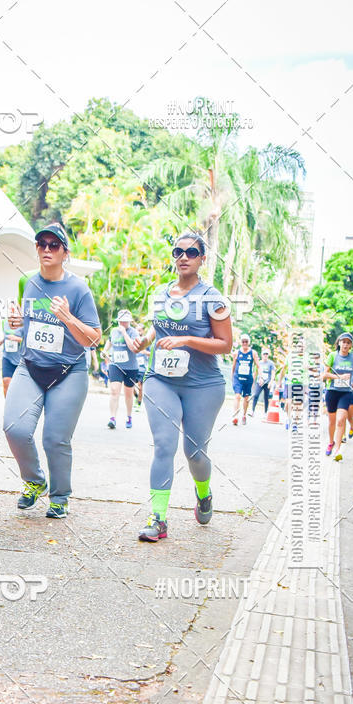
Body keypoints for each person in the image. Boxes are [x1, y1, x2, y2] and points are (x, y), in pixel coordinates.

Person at [135, 231, 232, 542]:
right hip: (160, 379)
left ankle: (203, 493)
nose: (184, 257)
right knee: (164, 445)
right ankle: (158, 518)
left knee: (195, 452)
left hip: (203, 385)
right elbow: (157, 325)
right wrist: (144, 340)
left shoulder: (213, 298)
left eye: (191, 252)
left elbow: (225, 344)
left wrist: (187, 340)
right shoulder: (161, 294)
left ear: (202, 259)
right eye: (178, 252)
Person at [3, 223, 101, 518]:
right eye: (41, 244)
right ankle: (34, 481)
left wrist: (69, 317)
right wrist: (17, 323)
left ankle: (60, 496)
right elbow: (29, 326)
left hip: (68, 371)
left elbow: (95, 338)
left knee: (55, 438)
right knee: (14, 428)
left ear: (65, 253)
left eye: (53, 245)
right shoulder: (27, 283)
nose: (46, 249)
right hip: (30, 366)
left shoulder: (78, 289)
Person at [323, 332, 353, 461]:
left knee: (341, 420)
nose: (345, 344)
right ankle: (330, 442)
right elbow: (325, 375)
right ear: (339, 343)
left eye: (348, 342)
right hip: (332, 391)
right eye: (343, 342)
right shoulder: (332, 356)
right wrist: (339, 377)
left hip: (346, 393)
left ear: (351, 345)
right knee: (332, 421)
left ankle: (338, 449)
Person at [103, 309, 140, 429]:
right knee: (114, 390)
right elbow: (109, 342)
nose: (124, 323)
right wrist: (104, 351)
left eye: (126, 321)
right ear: (118, 321)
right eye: (122, 321)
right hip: (116, 365)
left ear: (129, 321)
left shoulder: (133, 332)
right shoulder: (113, 331)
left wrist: (124, 333)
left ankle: (129, 417)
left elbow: (133, 347)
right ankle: (112, 418)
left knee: (128, 393)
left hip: (130, 367)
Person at [231, 334, 258, 425]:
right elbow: (233, 366)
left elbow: (258, 366)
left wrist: (257, 376)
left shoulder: (253, 353)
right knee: (237, 396)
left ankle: (244, 415)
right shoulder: (236, 352)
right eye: (243, 341)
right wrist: (232, 377)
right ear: (241, 342)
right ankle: (235, 416)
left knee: (246, 398)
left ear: (249, 342)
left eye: (246, 341)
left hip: (248, 379)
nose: (245, 343)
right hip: (238, 378)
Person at [0, 321, 23, 396]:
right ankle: (8, 405)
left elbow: (28, 341)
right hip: (7, 357)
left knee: (19, 387)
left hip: (21, 360)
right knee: (6, 381)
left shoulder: (25, 322)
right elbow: (6, 335)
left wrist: (17, 339)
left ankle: (17, 404)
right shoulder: (5, 322)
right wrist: (2, 341)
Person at [250, 347, 275, 416]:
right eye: (264, 354)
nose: (265, 355)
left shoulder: (271, 363)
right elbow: (255, 373)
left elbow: (273, 374)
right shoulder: (259, 363)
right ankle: (252, 411)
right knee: (256, 395)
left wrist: (271, 382)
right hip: (259, 382)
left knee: (266, 398)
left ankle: (265, 412)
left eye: (267, 354)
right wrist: (252, 382)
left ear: (268, 355)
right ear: (262, 355)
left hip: (267, 383)